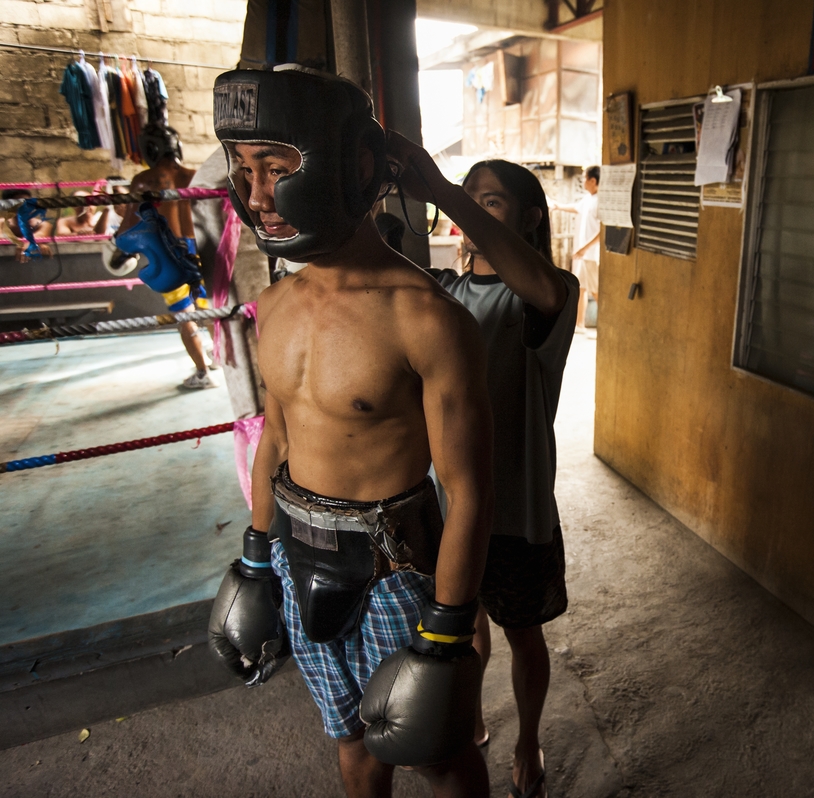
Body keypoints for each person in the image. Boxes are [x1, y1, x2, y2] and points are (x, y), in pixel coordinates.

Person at [208, 65, 495, 798]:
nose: (259, 195)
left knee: (439, 751)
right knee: (353, 747)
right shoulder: (274, 303)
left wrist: (447, 632)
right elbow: (275, 439)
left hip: (392, 570)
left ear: (351, 167)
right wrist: (253, 556)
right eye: (246, 170)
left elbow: (468, 493)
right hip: (295, 555)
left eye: (278, 167)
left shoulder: (424, 317)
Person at [390, 139, 579, 798]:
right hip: (447, 506)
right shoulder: (441, 292)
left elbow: (538, 285)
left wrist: (443, 192)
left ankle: (528, 739)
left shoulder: (547, 296)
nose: (471, 210)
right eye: (470, 198)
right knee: (462, 630)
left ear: (529, 219)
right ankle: (470, 719)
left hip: (515, 505)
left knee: (521, 634)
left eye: (488, 200)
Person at [113, 124, 213, 389]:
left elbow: (127, 230)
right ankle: (223, 360)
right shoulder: (198, 175)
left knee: (185, 316)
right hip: (205, 248)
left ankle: (203, 373)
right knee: (213, 310)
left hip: (169, 250)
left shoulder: (145, 180)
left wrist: (122, 251)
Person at [550, 165, 600, 334]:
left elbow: (603, 232)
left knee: (596, 290)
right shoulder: (588, 199)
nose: (583, 182)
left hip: (591, 254)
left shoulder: (601, 201)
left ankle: (605, 324)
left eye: (585, 178)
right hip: (583, 254)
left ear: (593, 181)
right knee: (582, 288)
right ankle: (580, 324)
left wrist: (584, 249)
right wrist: (557, 206)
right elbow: (575, 208)